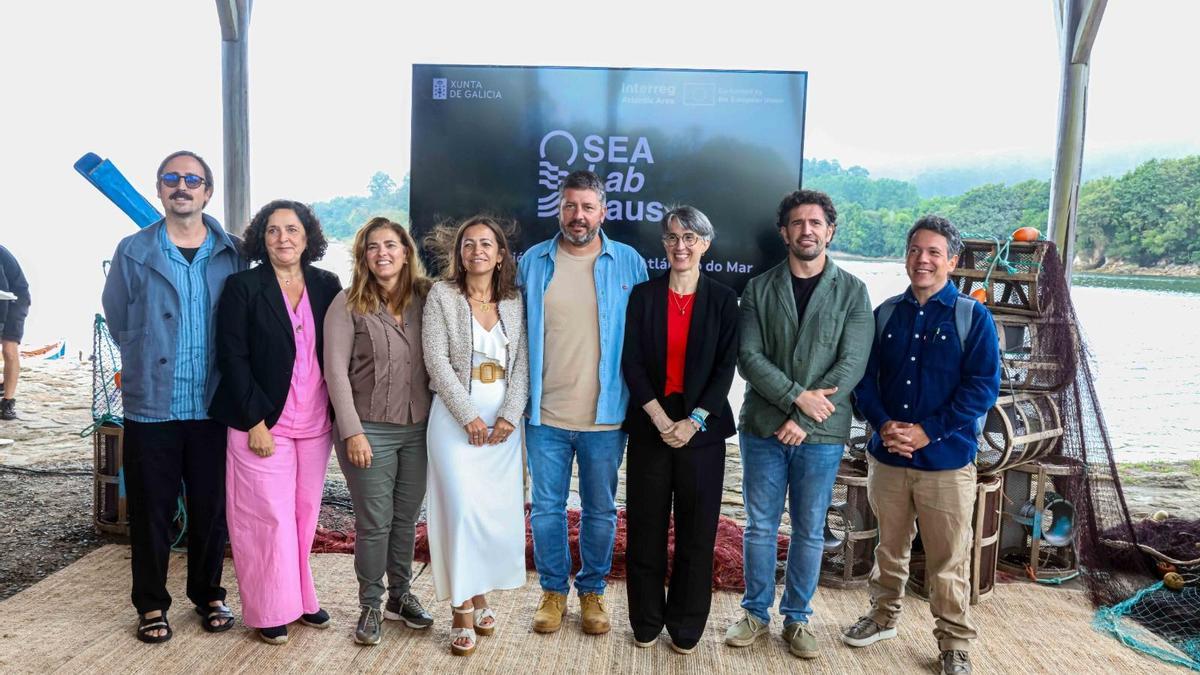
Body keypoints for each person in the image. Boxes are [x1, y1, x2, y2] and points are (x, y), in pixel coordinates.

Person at [843, 215, 1000, 675]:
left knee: (949, 557)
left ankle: (954, 643)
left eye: (934, 252)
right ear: (906, 256)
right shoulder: (886, 313)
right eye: (915, 250)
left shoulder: (973, 316)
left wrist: (929, 430)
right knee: (888, 548)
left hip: (947, 462)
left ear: (952, 260)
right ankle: (881, 615)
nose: (923, 260)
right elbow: (863, 381)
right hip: (887, 456)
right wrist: (883, 423)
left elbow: (982, 389)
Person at [101, 150, 246, 643]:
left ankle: (207, 594)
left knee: (210, 508)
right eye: (171, 178)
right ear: (159, 189)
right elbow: (118, 315)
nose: (181, 186)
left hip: (212, 405)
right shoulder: (133, 250)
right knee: (152, 510)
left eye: (192, 179)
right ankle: (151, 604)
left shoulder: (232, 251)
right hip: (152, 405)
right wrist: (145, 354)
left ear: (207, 192)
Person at [727, 189, 873, 658]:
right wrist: (795, 400)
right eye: (797, 223)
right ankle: (754, 612)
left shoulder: (853, 290)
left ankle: (797, 619)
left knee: (809, 528)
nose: (806, 230)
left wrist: (805, 420)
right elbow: (747, 357)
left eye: (815, 223)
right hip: (763, 428)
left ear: (830, 231)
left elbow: (851, 365)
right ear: (783, 232)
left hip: (823, 434)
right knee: (760, 526)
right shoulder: (757, 288)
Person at [517, 170, 648, 635]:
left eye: (587, 207)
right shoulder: (532, 262)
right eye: (571, 206)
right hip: (544, 415)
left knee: (601, 510)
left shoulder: (629, 262)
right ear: (560, 208)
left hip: (607, 416)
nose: (578, 216)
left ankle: (592, 590)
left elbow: (645, 339)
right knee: (547, 509)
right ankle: (553, 591)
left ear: (603, 211)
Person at [208, 199, 342, 645]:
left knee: (304, 516)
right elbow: (233, 357)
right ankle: (268, 609)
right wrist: (254, 422)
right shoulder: (242, 286)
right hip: (261, 423)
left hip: (315, 421)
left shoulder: (328, 285)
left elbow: (339, 351)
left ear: (307, 237)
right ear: (261, 239)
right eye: (273, 230)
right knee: (266, 518)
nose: (283, 238)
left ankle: (301, 598)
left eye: (292, 229)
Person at [621, 205, 739, 654]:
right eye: (672, 237)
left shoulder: (725, 300)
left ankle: (687, 625)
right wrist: (659, 417)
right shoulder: (643, 295)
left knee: (697, 531)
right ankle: (646, 620)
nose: (680, 246)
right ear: (664, 245)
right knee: (645, 529)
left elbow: (725, 370)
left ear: (705, 245)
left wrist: (694, 422)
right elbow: (630, 362)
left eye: (690, 237)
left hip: (702, 433)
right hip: (651, 425)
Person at [323, 217, 434, 645]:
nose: (382, 253)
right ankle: (370, 602)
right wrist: (352, 432)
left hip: (419, 429)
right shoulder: (347, 303)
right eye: (373, 247)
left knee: (406, 520)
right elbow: (334, 372)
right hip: (368, 429)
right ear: (363, 256)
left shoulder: (428, 299)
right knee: (375, 522)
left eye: (391, 244)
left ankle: (400, 597)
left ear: (406, 251)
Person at [423, 215, 529, 656]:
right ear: (459, 253)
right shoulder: (442, 296)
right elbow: (436, 361)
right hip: (454, 422)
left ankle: (480, 592)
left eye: (487, 244)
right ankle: (461, 609)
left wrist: (509, 414)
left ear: (501, 254)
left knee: (490, 515)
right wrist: (468, 415)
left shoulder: (515, 301)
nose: (477, 251)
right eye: (469, 244)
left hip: (503, 428)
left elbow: (523, 361)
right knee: (461, 511)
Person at [0, 245, 31, 421]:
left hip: (15, 300)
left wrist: (1, 326)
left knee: (8, 349)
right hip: (2, 300)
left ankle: (8, 402)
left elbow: (3, 292)